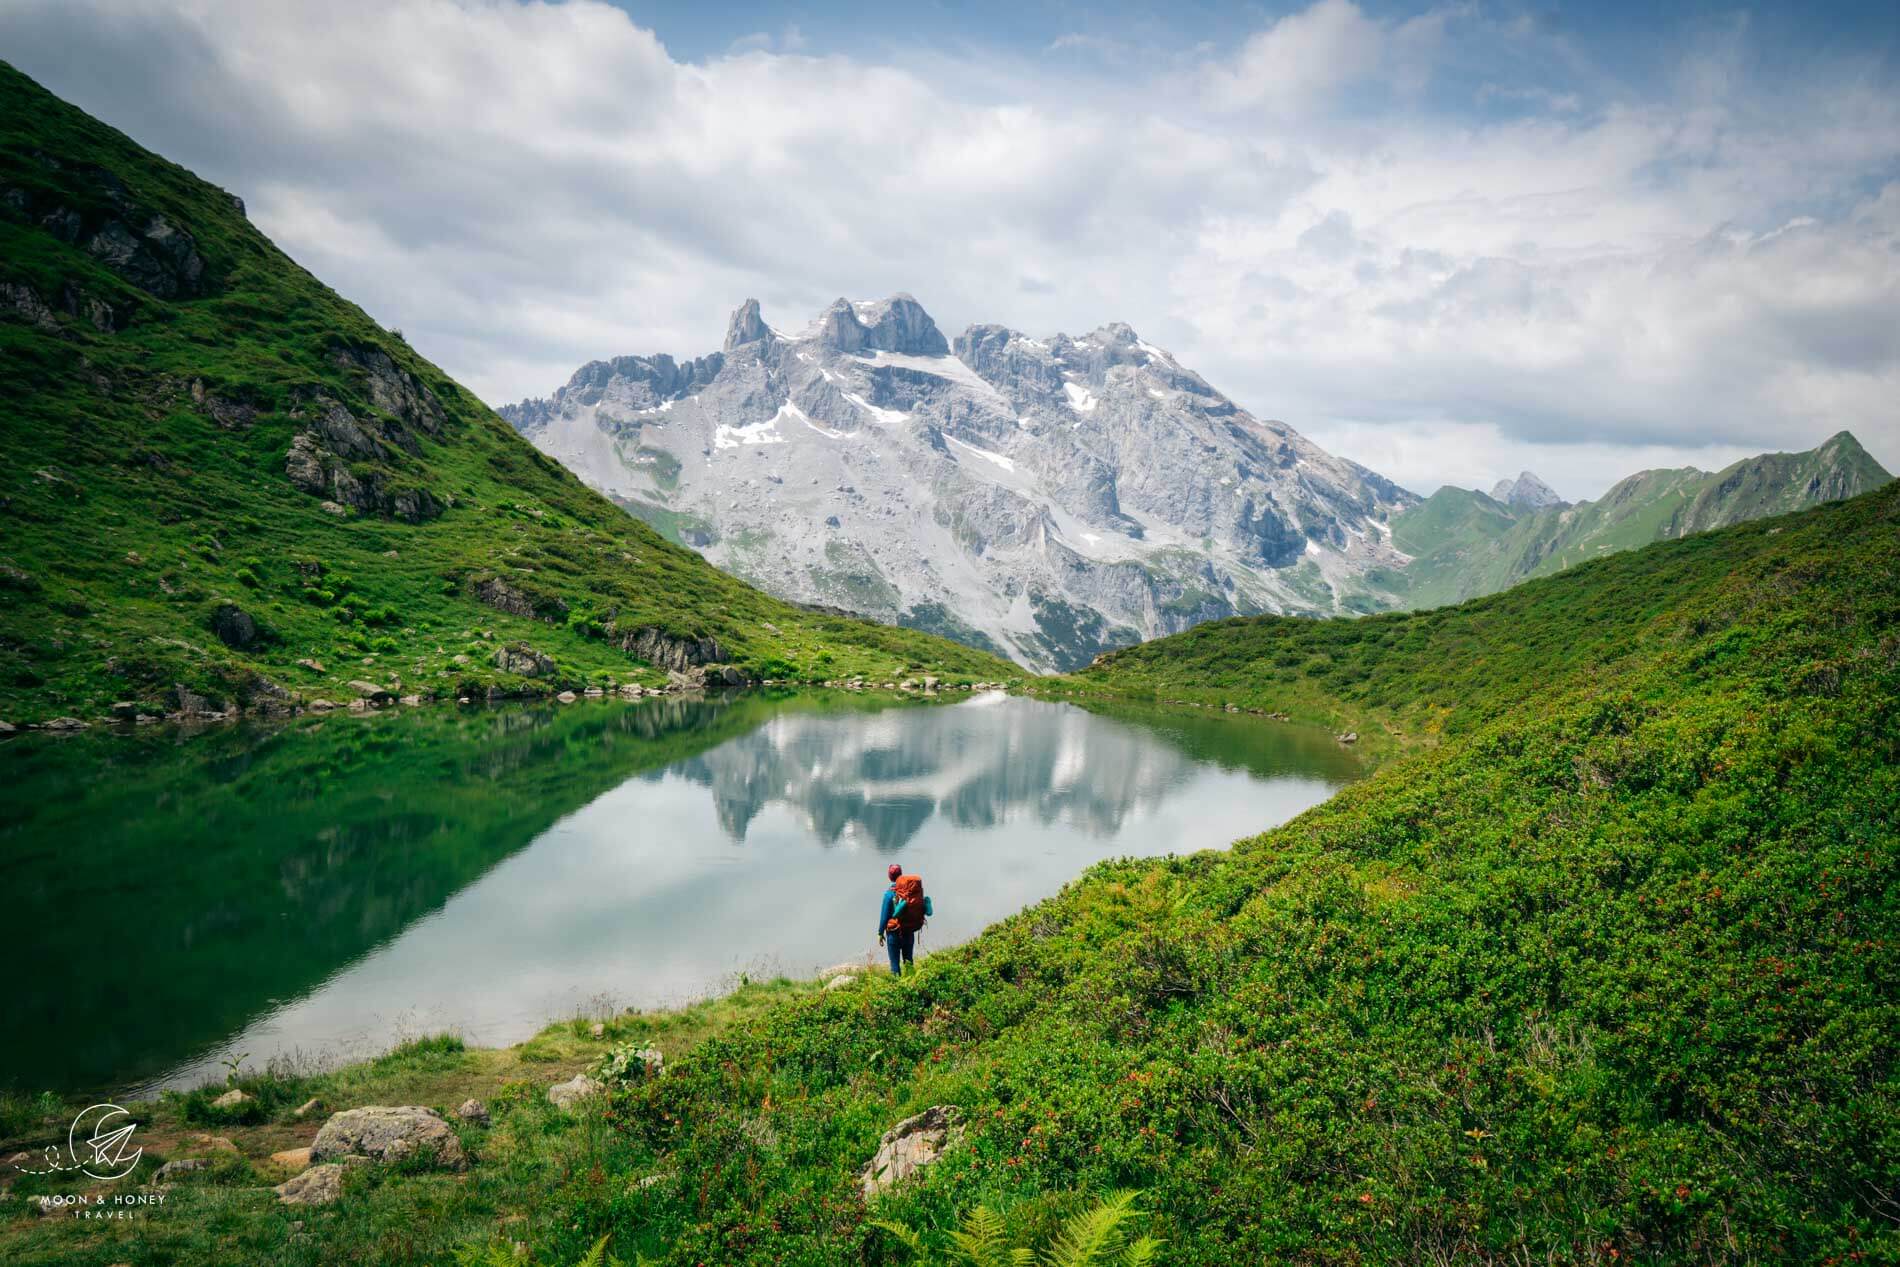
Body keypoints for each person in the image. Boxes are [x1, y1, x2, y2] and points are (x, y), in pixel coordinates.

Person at [877, 862, 932, 976]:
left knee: (895, 964)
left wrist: (880, 933)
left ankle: (898, 988)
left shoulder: (889, 894)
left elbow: (884, 916)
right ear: (901, 874)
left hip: (894, 934)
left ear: (889, 877)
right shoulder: (910, 892)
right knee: (908, 962)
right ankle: (912, 984)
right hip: (909, 931)